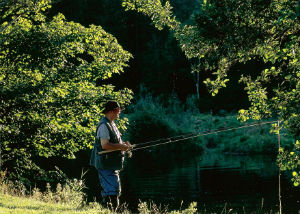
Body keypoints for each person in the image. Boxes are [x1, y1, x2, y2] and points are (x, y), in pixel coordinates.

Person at [90, 100, 132, 210]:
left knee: (114, 190)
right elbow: (105, 145)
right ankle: (108, 210)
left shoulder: (111, 123)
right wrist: (120, 147)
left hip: (111, 164)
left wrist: (123, 145)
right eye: (117, 110)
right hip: (105, 164)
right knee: (112, 192)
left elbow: (114, 142)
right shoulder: (104, 125)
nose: (119, 112)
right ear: (111, 111)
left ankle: (109, 210)